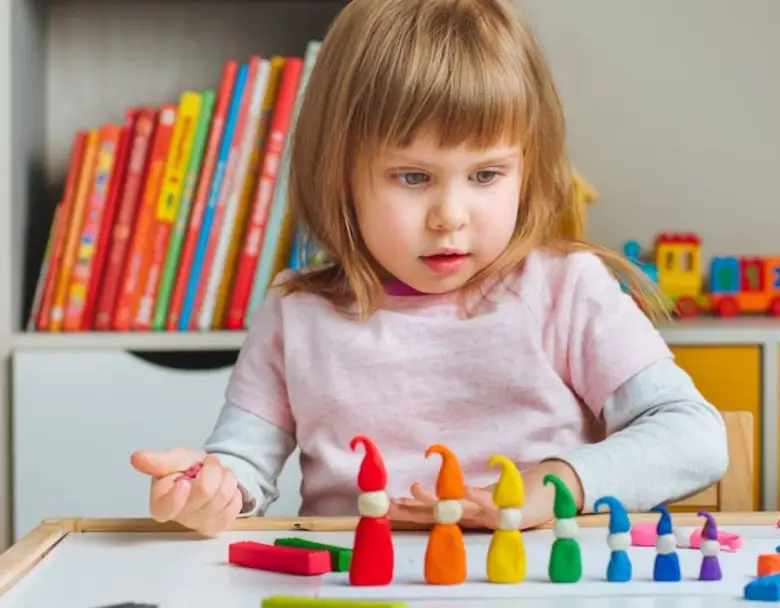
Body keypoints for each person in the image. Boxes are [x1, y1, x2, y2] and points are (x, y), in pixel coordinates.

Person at [129, 0, 728, 538]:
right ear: (341, 174)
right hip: (357, 590)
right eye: (412, 177)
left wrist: (557, 483)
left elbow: (694, 435)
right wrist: (208, 491)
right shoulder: (296, 312)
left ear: (528, 167)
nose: (450, 216)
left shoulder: (566, 290)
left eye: (487, 175)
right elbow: (241, 471)